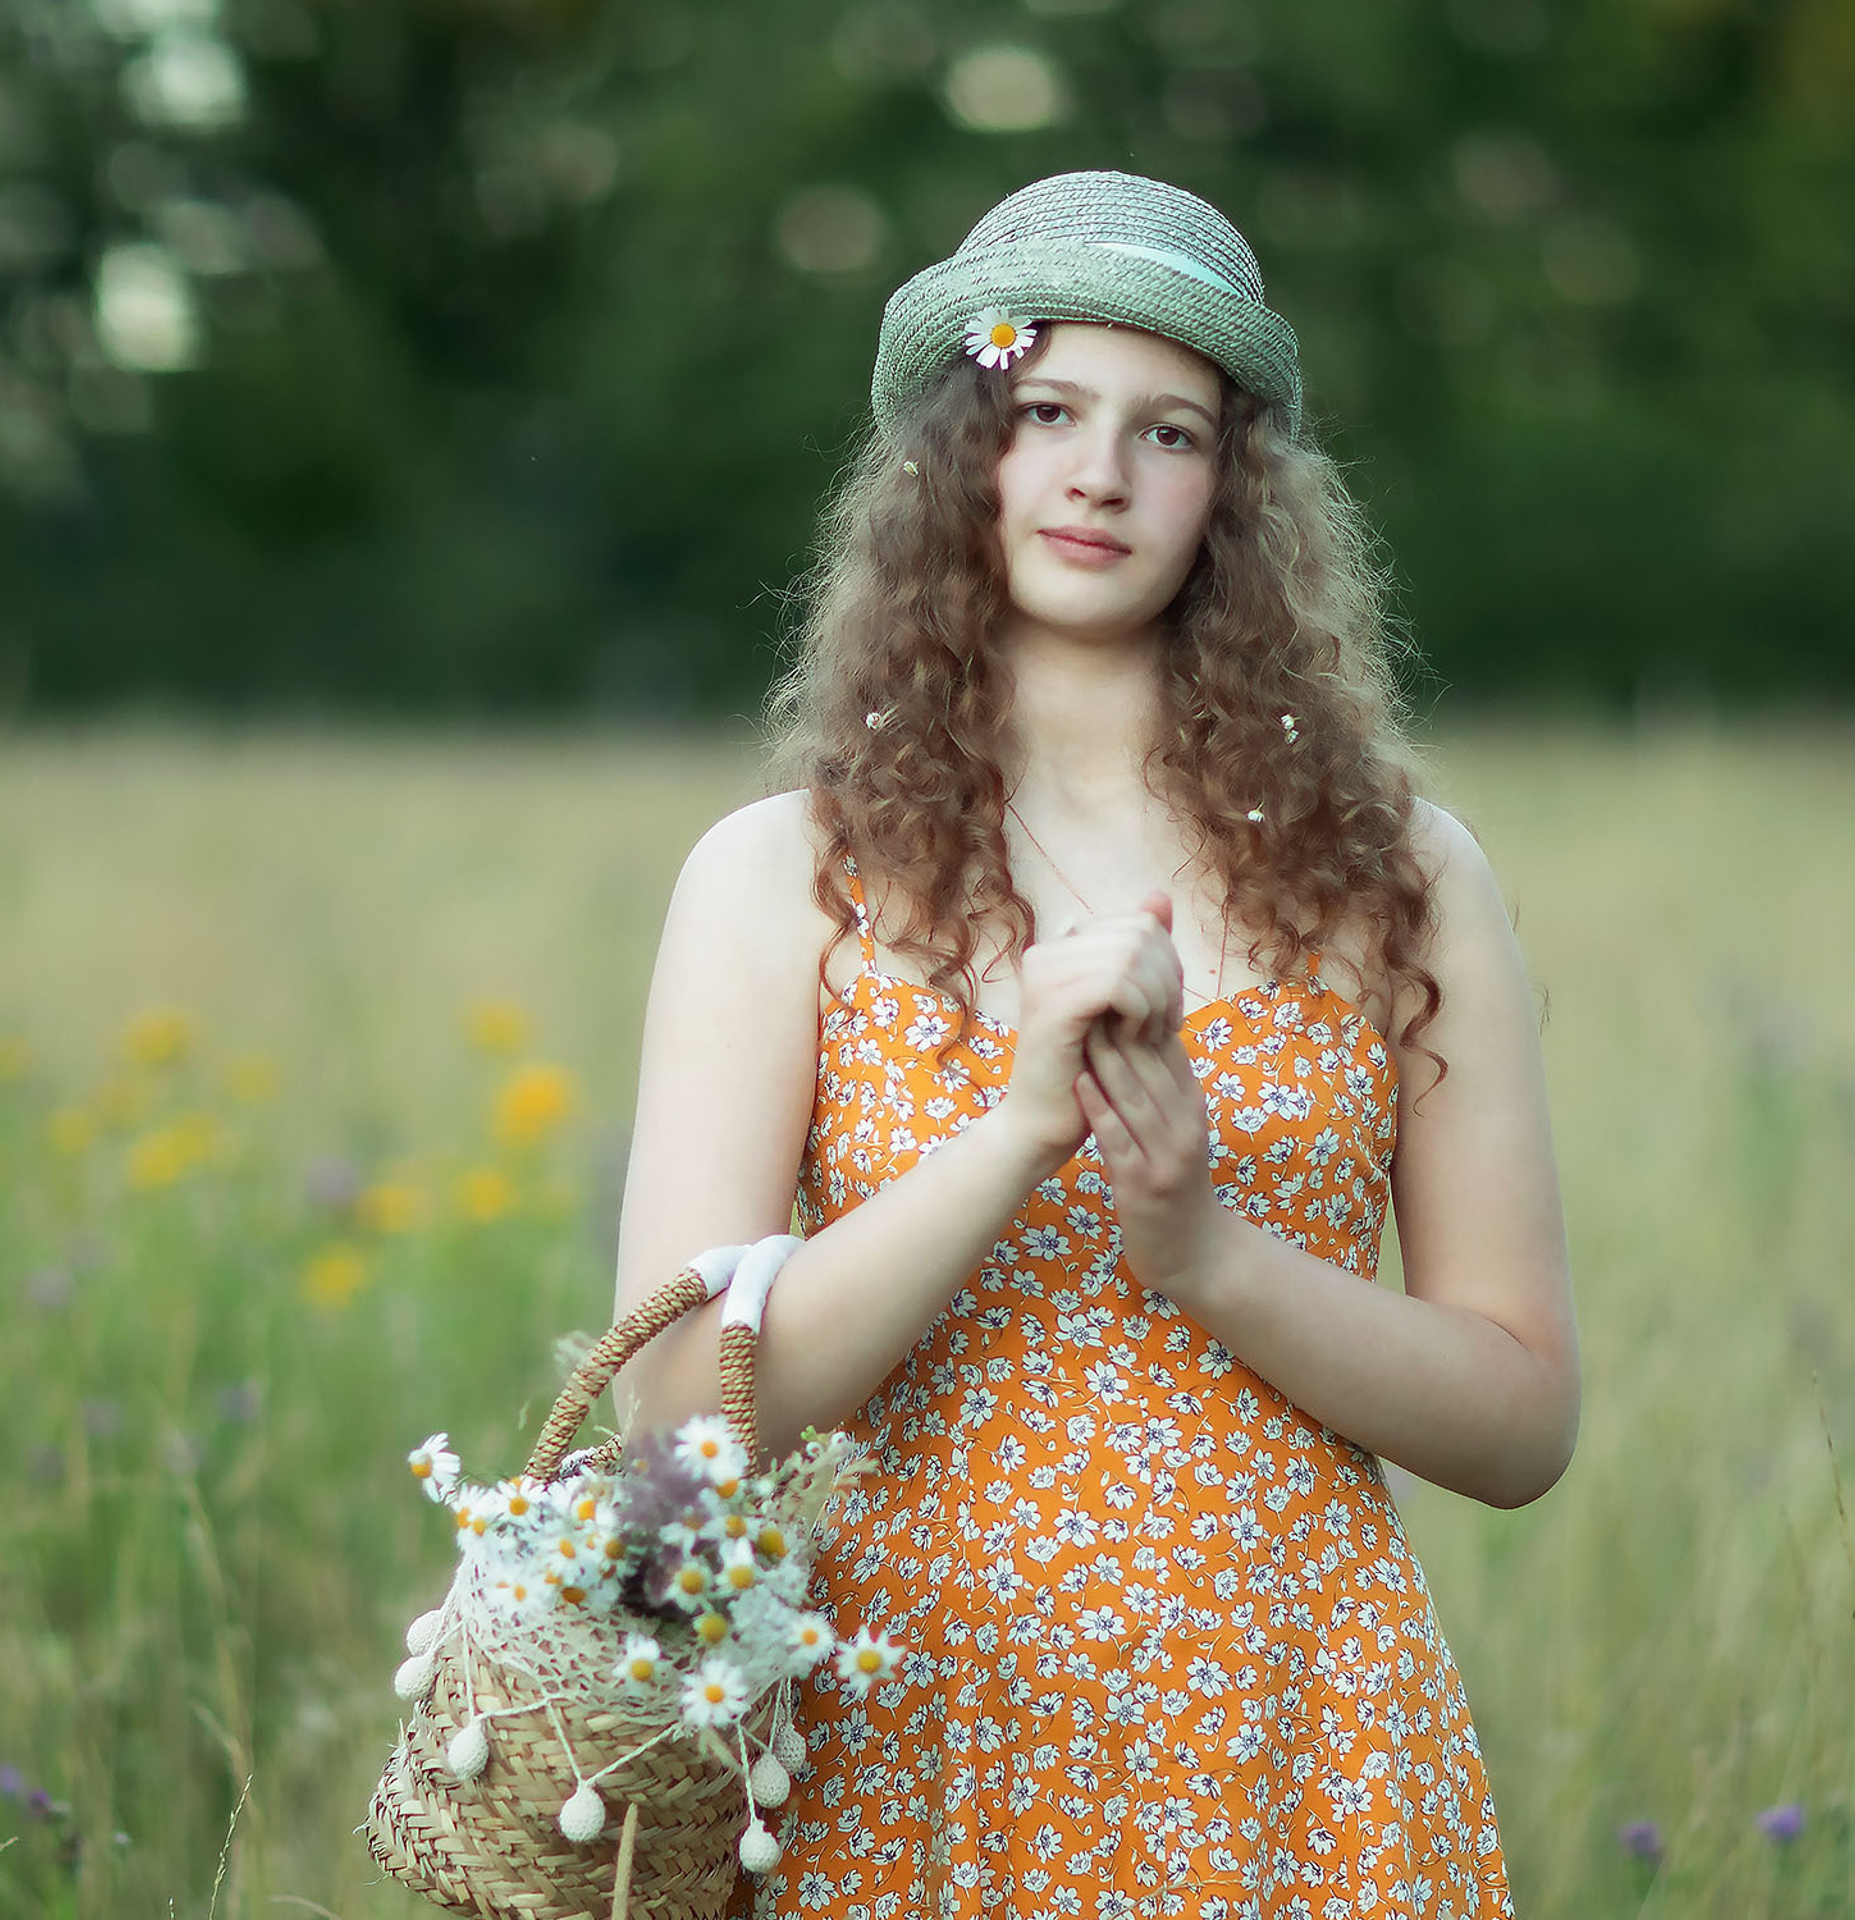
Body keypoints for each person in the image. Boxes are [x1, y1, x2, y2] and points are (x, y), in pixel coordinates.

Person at [613, 170, 1576, 1920]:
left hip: (1297, 1747)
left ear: (1237, 494)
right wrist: (1009, 1139)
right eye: (1046, 410)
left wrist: (1210, 1253)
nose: (1099, 475)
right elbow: (680, 1425)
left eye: (1170, 432)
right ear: (957, 452)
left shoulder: (1403, 881)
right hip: (892, 1746)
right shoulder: (780, 878)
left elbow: (1520, 1423)